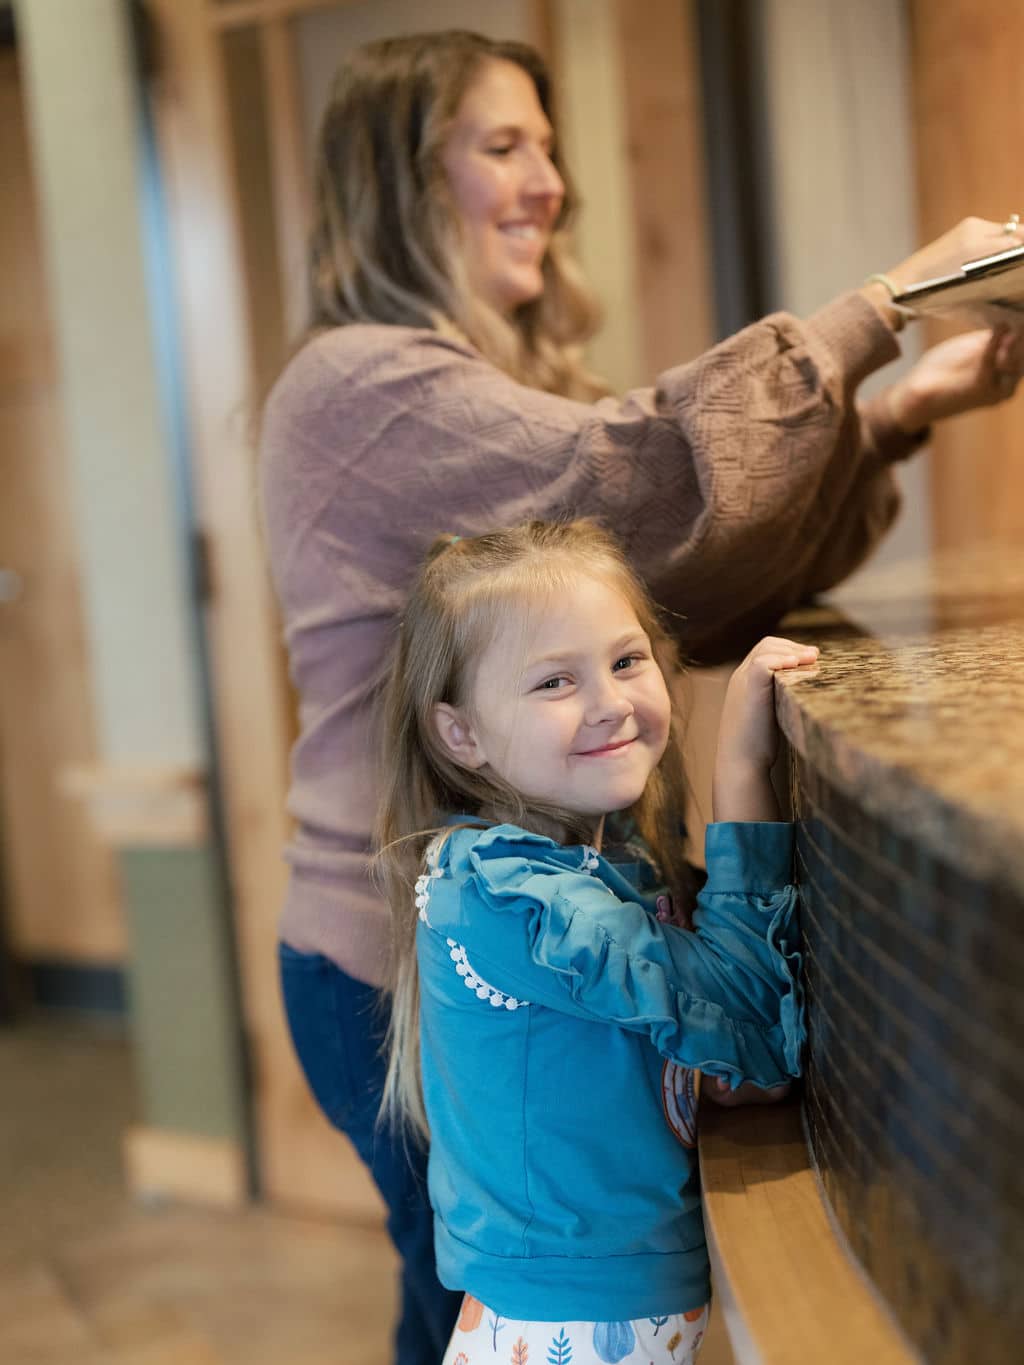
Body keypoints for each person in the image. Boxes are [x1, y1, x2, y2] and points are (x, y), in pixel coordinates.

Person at [259, 28, 1024, 1364]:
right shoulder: (360, 384)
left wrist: (897, 413)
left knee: (470, 1311)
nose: (550, 179)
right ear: (396, 177)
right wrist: (888, 304)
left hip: (538, 947)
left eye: (550, 145)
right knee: (466, 1304)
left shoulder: (495, 389)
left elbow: (695, 576)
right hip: (394, 965)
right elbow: (658, 473)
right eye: (504, 144)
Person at [374, 518, 812, 1364]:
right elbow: (750, 1021)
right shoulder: (514, 896)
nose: (610, 701)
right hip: (568, 1317)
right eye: (553, 682)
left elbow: (717, 1060)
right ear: (460, 733)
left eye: (624, 659)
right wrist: (744, 772)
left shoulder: (601, 857)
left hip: (591, 1303)